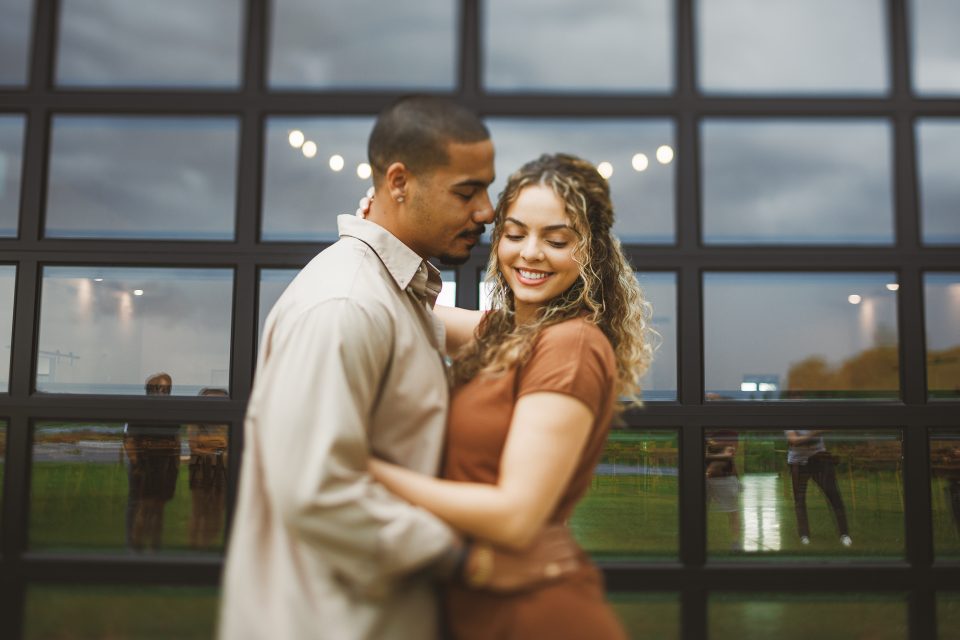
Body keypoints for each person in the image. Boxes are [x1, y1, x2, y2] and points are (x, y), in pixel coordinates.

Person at [218, 95, 496, 640]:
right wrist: (464, 559)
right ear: (399, 183)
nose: (486, 210)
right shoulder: (345, 307)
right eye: (467, 191)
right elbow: (316, 491)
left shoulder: (392, 299)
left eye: (486, 187)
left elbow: (463, 330)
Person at [370, 153, 653, 640]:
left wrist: (365, 469)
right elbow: (412, 306)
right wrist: (380, 226)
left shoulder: (570, 346)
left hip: (539, 616)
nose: (530, 253)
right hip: (479, 612)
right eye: (515, 233)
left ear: (592, 251)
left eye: (557, 239)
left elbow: (515, 516)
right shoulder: (503, 333)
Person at [123, 372, 180, 552]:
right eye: (160, 388)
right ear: (150, 389)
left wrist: (175, 465)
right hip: (143, 464)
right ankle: (135, 545)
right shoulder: (140, 410)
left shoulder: (171, 412)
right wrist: (137, 465)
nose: (163, 392)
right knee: (140, 505)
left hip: (165, 466)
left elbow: (176, 441)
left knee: (159, 507)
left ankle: (155, 546)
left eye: (167, 389)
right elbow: (129, 439)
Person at [784, 429, 853, 547]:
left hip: (820, 459)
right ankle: (804, 535)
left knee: (834, 496)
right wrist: (813, 434)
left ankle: (844, 534)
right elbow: (793, 440)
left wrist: (804, 439)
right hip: (798, 462)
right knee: (799, 500)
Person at [186, 387, 229, 549]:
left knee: (218, 509)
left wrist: (210, 445)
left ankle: (210, 545)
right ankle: (194, 546)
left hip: (222, 469)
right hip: (199, 469)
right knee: (199, 509)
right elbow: (194, 446)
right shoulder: (196, 421)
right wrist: (218, 447)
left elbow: (228, 444)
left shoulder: (225, 422)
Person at [705, 430, 742, 552]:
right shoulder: (705, 429)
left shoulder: (731, 432)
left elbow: (729, 454)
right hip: (707, 478)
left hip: (725, 478)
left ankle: (735, 542)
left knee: (733, 512)